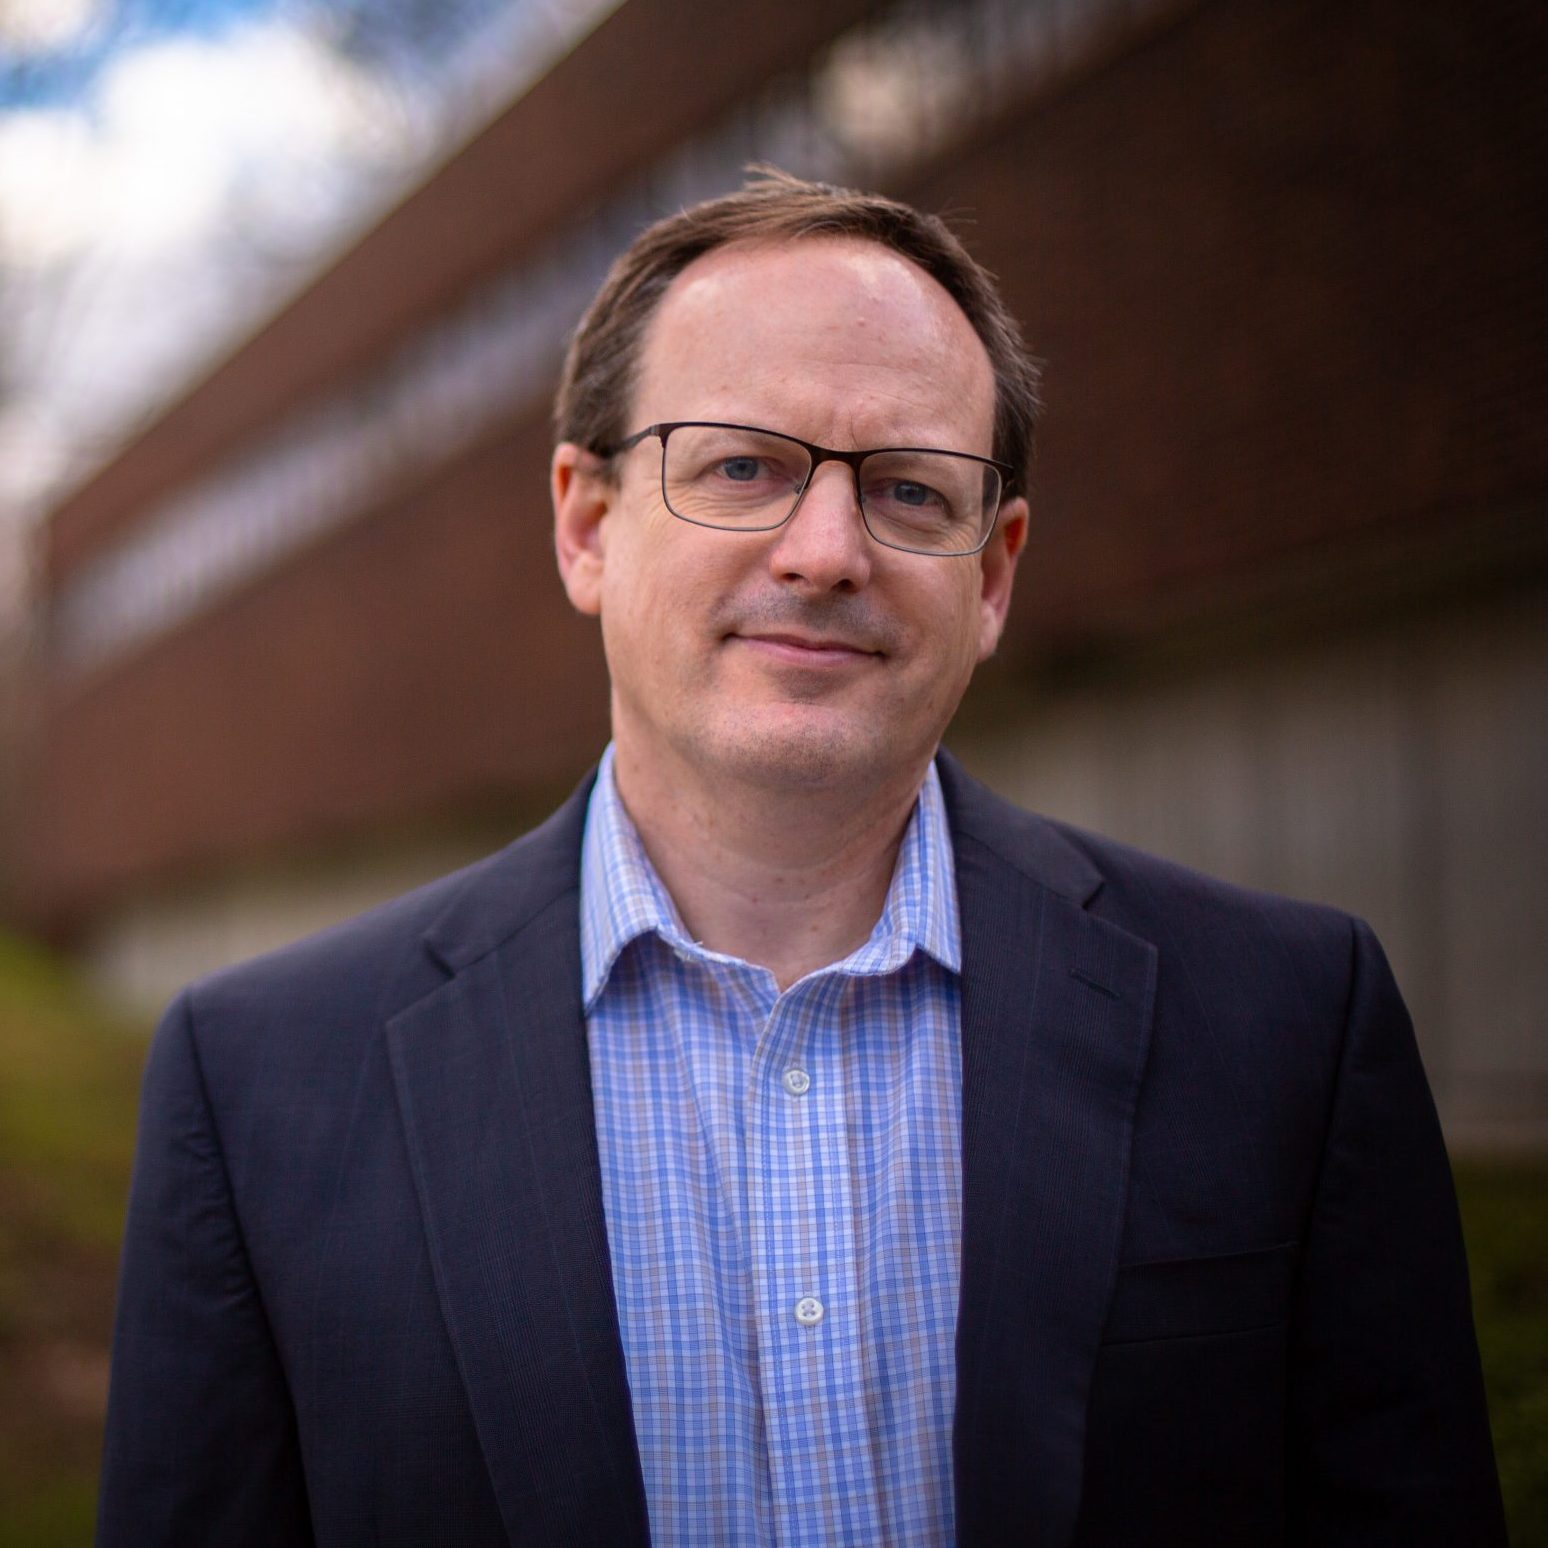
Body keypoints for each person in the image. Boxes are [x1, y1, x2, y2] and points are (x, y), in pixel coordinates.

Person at [97, 171, 1506, 1547]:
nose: (827, 551)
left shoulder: (1283, 1022)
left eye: (907, 490)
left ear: (994, 573)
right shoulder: (263, 1084)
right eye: (743, 467)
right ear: (588, 524)